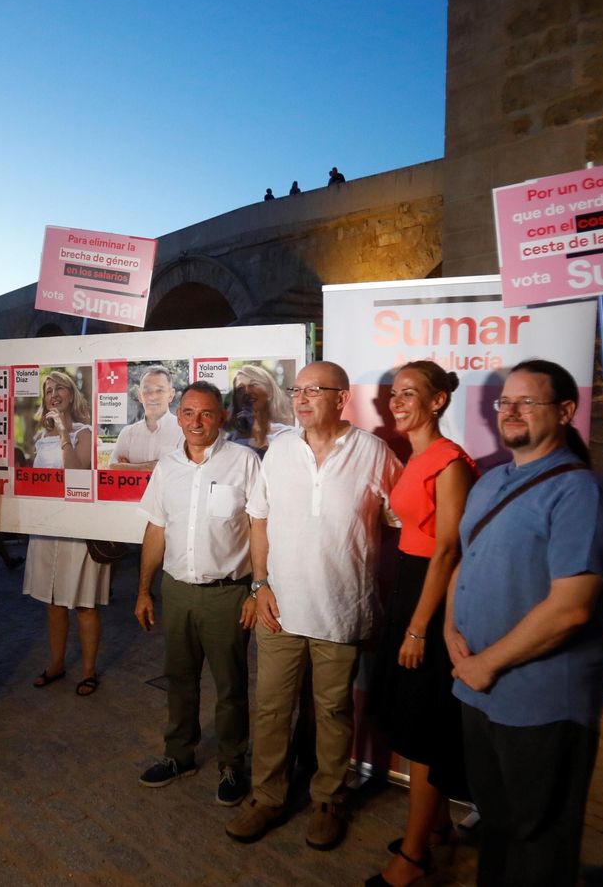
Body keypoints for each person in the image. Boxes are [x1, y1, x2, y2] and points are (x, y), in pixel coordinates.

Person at [445, 359, 603, 887]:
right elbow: (464, 558)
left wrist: (485, 663)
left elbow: (572, 606)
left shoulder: (580, 493)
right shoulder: (490, 480)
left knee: (540, 836)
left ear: (566, 412)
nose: (511, 411)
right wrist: (450, 633)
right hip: (476, 690)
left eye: (528, 401)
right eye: (505, 402)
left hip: (540, 700)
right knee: (496, 824)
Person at [226, 361, 402, 851]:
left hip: (341, 609)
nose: (301, 399)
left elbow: (403, 519)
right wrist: (259, 584)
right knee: (272, 710)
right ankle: (268, 798)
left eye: (313, 390)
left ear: (341, 398)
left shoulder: (373, 452)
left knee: (333, 711)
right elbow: (258, 521)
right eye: (296, 390)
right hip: (278, 608)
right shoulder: (279, 452)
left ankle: (328, 800)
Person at [366, 361, 477, 887]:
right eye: (394, 392)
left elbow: (449, 549)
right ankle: (437, 831)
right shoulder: (415, 457)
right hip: (410, 587)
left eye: (410, 393)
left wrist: (418, 627)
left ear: (438, 402)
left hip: (430, 601)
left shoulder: (450, 461)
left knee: (426, 724)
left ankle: (412, 859)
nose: (397, 400)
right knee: (408, 714)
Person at [134, 382, 264, 806]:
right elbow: (156, 528)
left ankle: (232, 763)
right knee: (180, 680)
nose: (195, 422)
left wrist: (257, 589)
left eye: (206, 413)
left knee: (230, 686)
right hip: (176, 591)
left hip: (227, 594)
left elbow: (262, 529)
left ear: (221, 417)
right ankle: (179, 756)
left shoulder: (243, 462)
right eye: (188, 413)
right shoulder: (167, 465)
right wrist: (144, 591)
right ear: (179, 416)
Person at [23, 369, 108, 697]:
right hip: (46, 528)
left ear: (72, 395)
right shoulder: (38, 437)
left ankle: (89, 671)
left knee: (85, 603)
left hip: (79, 528)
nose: (54, 394)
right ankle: (57, 663)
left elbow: (78, 475)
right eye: (48, 390)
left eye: (60, 388)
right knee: (53, 601)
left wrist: (63, 435)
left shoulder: (85, 432)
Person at [109, 366, 183, 471]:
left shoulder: (183, 430)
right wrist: (156, 466)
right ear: (140, 395)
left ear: (171, 395)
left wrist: (130, 467)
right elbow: (113, 468)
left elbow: (182, 470)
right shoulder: (127, 433)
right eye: (147, 390)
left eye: (160, 390)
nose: (152, 396)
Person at [229, 364, 294, 456]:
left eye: (254, 385)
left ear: (270, 392)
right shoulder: (231, 438)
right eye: (240, 388)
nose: (247, 391)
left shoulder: (288, 434)